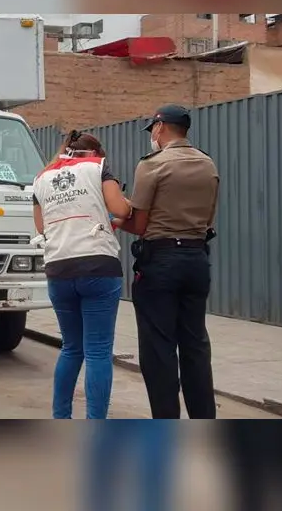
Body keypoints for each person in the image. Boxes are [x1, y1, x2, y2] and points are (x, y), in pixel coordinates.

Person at [114, 104, 220, 419]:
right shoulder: (208, 164)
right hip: (196, 259)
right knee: (195, 345)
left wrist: (119, 216)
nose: (153, 137)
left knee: (159, 348)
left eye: (153, 131)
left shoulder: (152, 165)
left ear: (159, 128)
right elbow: (208, 218)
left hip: (160, 262)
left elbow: (141, 225)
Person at [32, 130, 133, 419]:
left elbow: (42, 228)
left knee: (71, 348)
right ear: (96, 153)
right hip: (98, 268)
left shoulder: (41, 178)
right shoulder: (98, 167)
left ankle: (61, 417)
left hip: (59, 270)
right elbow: (119, 208)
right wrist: (122, 207)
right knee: (99, 352)